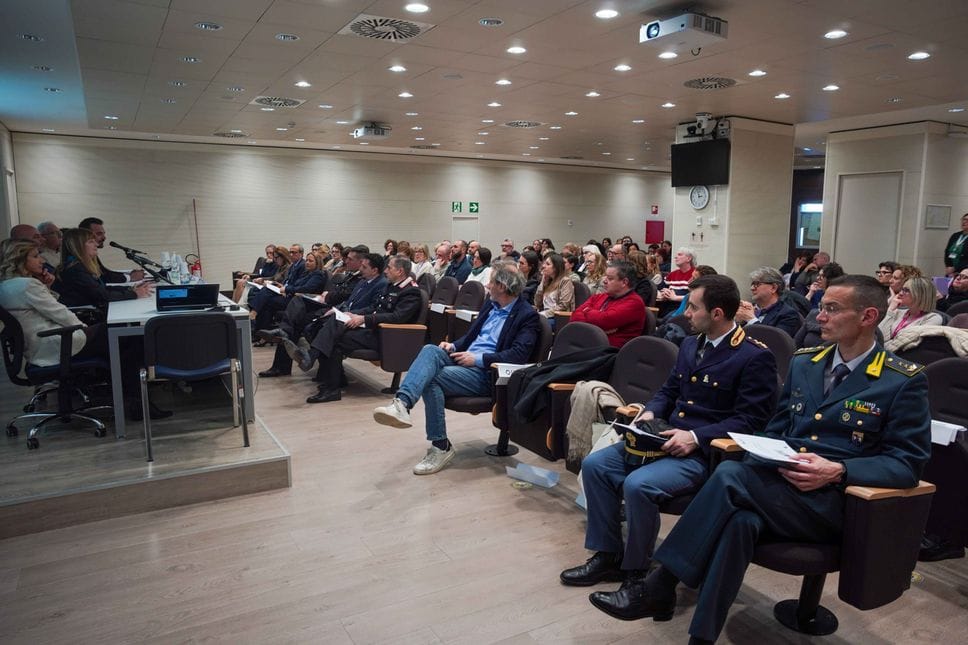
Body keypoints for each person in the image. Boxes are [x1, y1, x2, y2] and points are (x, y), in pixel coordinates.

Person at [622, 275, 931, 644]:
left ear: (867, 316)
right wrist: (767, 449)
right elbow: (777, 428)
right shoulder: (806, 363)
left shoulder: (901, 380)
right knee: (740, 521)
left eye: (832, 309)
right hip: (777, 490)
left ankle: (661, 584)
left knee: (730, 477)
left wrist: (839, 470)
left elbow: (907, 464)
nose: (819, 316)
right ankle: (700, 637)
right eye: (822, 307)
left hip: (834, 502)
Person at [563, 275, 778, 614]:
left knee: (638, 485)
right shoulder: (693, 344)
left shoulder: (753, 357)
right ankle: (609, 555)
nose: (686, 313)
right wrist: (649, 413)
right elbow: (669, 391)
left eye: (693, 307)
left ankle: (637, 574)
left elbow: (752, 421)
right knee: (596, 465)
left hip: (706, 453)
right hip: (664, 437)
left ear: (718, 313)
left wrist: (696, 437)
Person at [372, 263, 541, 475]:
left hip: (488, 373)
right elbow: (472, 337)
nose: (487, 285)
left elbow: (518, 355)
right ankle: (402, 404)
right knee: (431, 349)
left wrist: (478, 359)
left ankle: (440, 446)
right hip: (465, 360)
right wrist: (453, 346)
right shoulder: (491, 305)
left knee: (431, 379)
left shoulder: (527, 316)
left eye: (491, 281)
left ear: (503, 286)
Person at [0, 240, 168, 420]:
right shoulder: (27, 285)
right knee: (127, 337)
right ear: (19, 260)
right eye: (34, 256)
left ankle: (132, 399)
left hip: (40, 344)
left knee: (121, 339)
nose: (41, 260)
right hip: (57, 343)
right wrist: (84, 329)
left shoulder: (8, 285)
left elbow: (46, 308)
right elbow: (59, 312)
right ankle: (138, 402)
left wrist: (47, 286)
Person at [291, 255, 422, 404]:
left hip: (387, 337)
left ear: (399, 271)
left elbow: (397, 317)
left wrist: (364, 319)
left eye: (389, 268)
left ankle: (325, 378)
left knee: (336, 338)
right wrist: (354, 314)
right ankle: (331, 382)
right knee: (336, 321)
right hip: (373, 330)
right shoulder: (392, 285)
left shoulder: (411, 291)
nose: (385, 271)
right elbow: (375, 307)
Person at [256, 246, 371, 377]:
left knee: (295, 320)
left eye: (350, 259)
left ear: (361, 261)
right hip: (329, 306)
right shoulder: (351, 275)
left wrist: (327, 295)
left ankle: (284, 362)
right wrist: (328, 295)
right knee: (295, 310)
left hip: (337, 311)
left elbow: (343, 296)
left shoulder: (363, 279)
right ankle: (282, 357)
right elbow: (337, 292)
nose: (346, 261)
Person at [54, 228, 152, 311]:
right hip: (85, 316)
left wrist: (130, 289)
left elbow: (100, 289)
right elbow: (103, 296)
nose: (96, 244)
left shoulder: (79, 265)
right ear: (78, 246)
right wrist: (134, 294)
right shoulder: (75, 269)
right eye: (91, 241)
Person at [570, 261, 646, 348]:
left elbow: (604, 320)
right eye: (605, 277)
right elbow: (575, 316)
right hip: (588, 344)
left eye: (610, 278)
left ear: (624, 282)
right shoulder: (600, 296)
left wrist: (586, 311)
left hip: (609, 353)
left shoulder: (634, 303)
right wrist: (600, 327)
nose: (604, 281)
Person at [734, 267, 803, 337]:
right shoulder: (749, 308)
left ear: (773, 288)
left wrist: (751, 319)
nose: (751, 288)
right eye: (752, 284)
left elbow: (775, 341)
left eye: (757, 284)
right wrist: (736, 322)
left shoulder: (788, 314)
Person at [78, 216, 144, 283]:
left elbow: (103, 272)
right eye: (99, 234)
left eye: (104, 233)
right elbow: (103, 277)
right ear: (84, 235)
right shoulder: (79, 256)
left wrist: (128, 275)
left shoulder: (90, 253)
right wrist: (130, 277)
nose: (104, 238)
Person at [879, 276, 943, 340]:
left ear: (920, 295)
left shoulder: (933, 318)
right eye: (902, 289)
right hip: (885, 349)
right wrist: (890, 309)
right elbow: (880, 338)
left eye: (906, 290)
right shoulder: (897, 312)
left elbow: (906, 342)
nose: (900, 293)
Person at [656, 248, 699, 317]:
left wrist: (675, 297)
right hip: (667, 307)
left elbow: (697, 296)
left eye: (680, 255)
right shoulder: (672, 274)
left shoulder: (695, 275)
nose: (675, 257)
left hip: (685, 310)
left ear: (689, 258)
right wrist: (664, 293)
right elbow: (659, 289)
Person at [534, 253, 575, 320]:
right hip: (545, 315)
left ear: (556, 268)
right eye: (544, 263)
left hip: (559, 318)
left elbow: (563, 306)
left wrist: (544, 314)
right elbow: (537, 303)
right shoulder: (548, 280)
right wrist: (542, 282)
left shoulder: (565, 281)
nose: (543, 266)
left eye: (547, 264)